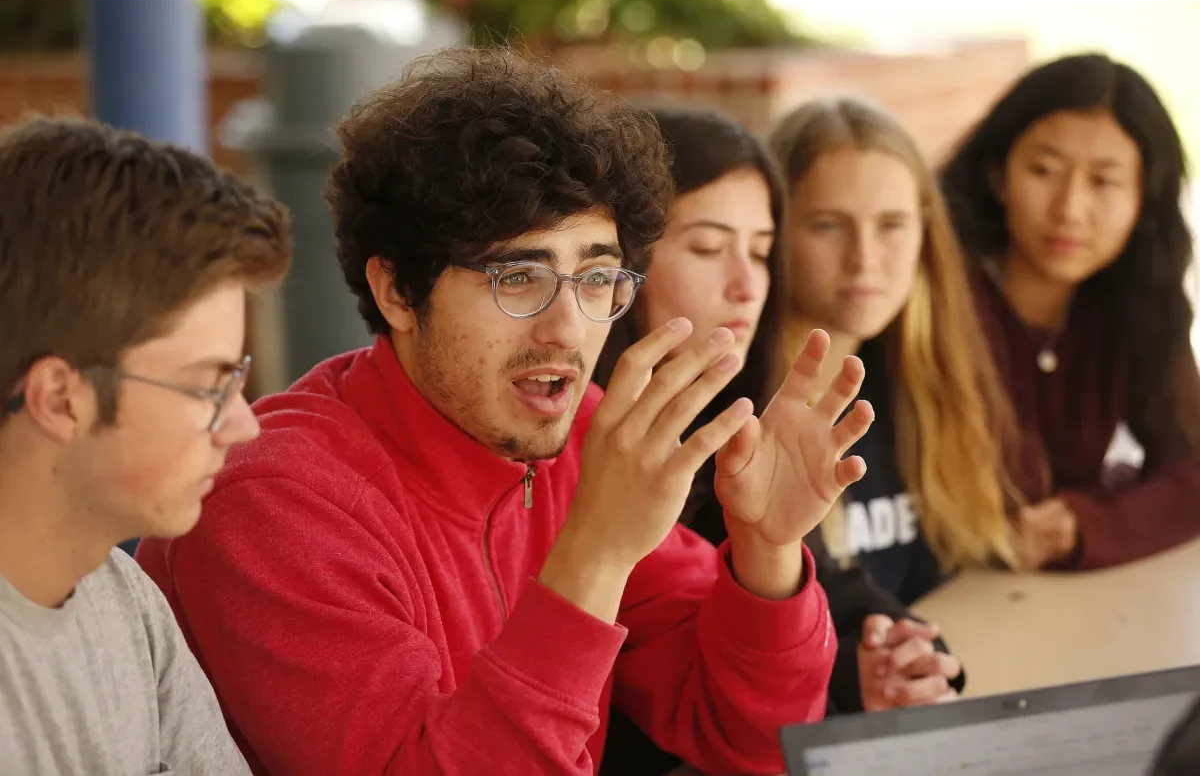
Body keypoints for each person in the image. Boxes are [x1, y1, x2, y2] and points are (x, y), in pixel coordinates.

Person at [136, 47, 875, 776]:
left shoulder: (581, 432)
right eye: (518, 277)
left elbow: (748, 735)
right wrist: (597, 552)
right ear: (397, 290)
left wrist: (767, 551)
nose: (568, 329)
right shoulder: (273, 506)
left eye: (594, 276)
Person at [595, 107, 965, 775]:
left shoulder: (731, 407)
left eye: (762, 251)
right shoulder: (578, 444)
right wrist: (846, 678)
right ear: (616, 266)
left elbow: (814, 579)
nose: (748, 284)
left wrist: (893, 646)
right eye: (708, 248)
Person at [0, 116, 292, 773]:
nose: (243, 425)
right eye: (207, 386)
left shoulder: (121, 593)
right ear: (59, 398)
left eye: (236, 379)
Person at [941, 53, 1200, 570]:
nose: (1069, 210)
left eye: (1103, 182)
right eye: (1043, 171)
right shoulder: (942, 292)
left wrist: (1086, 526)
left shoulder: (1135, 297)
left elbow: (1192, 468)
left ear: (1142, 199)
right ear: (998, 177)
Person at [767, 97, 1025, 598]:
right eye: (827, 225)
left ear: (924, 231)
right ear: (774, 232)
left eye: (891, 225)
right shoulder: (747, 407)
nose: (864, 259)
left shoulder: (923, 379)